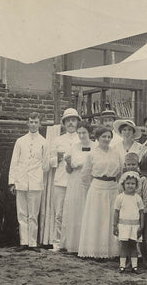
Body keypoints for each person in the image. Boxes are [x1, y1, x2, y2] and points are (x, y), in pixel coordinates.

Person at [78, 127, 123, 259]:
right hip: (97, 187)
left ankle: (112, 251)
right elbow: (85, 174)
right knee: (97, 219)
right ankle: (95, 251)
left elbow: (120, 170)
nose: (106, 139)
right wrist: (90, 189)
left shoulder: (116, 153)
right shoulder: (92, 154)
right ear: (97, 138)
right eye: (103, 136)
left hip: (112, 188)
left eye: (109, 137)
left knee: (111, 218)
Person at [9, 112, 49, 252]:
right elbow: (14, 162)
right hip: (21, 181)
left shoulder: (44, 142)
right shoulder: (20, 141)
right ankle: (23, 242)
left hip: (36, 182)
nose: (33, 124)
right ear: (27, 123)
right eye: (31, 122)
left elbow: (45, 165)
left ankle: (32, 243)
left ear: (40, 124)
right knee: (22, 213)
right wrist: (12, 181)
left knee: (33, 214)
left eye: (35, 122)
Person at [60, 121, 96, 253]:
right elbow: (68, 170)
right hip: (75, 181)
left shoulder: (95, 146)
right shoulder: (74, 147)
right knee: (75, 211)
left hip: (89, 181)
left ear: (89, 133)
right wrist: (68, 163)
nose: (81, 135)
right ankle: (73, 244)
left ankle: (87, 245)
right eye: (79, 133)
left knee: (87, 210)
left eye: (84, 133)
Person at [50, 108, 81, 252]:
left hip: (76, 180)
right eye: (68, 120)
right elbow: (49, 161)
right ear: (64, 123)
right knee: (59, 213)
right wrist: (57, 158)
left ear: (77, 122)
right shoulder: (57, 140)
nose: (70, 123)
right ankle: (58, 243)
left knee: (75, 211)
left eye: (73, 120)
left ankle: (73, 243)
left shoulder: (82, 139)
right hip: (60, 180)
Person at [119, 152, 147, 269]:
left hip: (139, 213)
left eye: (133, 164)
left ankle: (144, 260)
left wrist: (144, 213)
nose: (131, 166)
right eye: (128, 164)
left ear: (138, 165)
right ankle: (127, 260)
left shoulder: (142, 180)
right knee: (127, 238)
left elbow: (146, 198)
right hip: (126, 213)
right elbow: (120, 195)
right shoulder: (123, 179)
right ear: (125, 165)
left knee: (141, 236)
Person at [114, 171, 145, 273]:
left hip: (135, 226)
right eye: (128, 183)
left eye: (132, 184)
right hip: (123, 225)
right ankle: (122, 266)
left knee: (133, 246)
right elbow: (116, 212)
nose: (130, 186)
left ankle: (134, 267)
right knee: (124, 246)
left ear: (136, 186)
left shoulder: (138, 198)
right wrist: (115, 226)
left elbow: (141, 212)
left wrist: (141, 226)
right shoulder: (120, 197)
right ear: (123, 184)